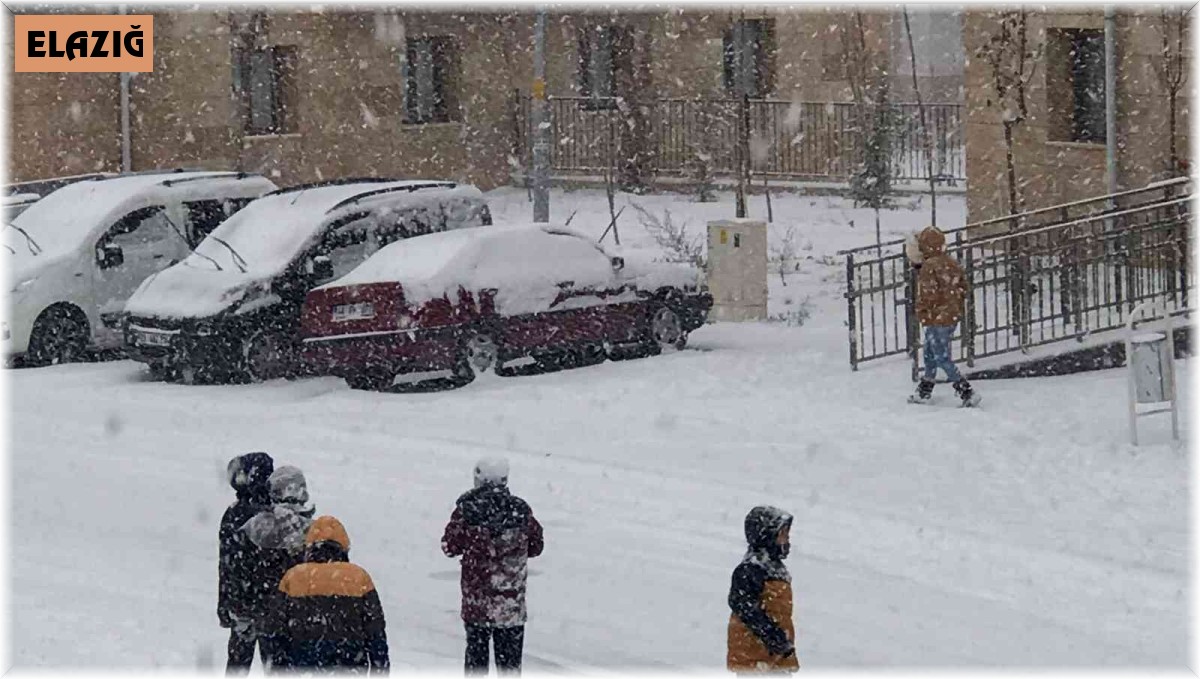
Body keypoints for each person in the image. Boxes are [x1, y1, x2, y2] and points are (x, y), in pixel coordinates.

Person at [441, 458, 544, 675]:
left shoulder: (467, 510)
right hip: (511, 604)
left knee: (476, 664)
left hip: (477, 603)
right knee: (510, 666)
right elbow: (536, 547)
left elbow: (449, 547)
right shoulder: (521, 510)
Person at [265, 515, 390, 673]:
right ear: (343, 546)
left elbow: (275, 630)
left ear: (310, 546)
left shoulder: (293, 577)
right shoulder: (359, 577)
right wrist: (380, 669)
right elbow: (375, 631)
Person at [242, 465, 316, 670]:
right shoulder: (315, 530)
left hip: (267, 617)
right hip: (304, 616)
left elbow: (241, 574)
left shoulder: (254, 527)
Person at [907, 226, 979, 407]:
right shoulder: (951, 262)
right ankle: (925, 390)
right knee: (930, 353)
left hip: (936, 316)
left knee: (940, 356)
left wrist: (922, 312)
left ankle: (966, 391)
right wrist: (953, 301)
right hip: (950, 315)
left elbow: (927, 295)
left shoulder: (928, 267)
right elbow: (964, 287)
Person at [219, 452, 276, 674]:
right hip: (273, 605)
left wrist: (224, 603)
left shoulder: (234, 514)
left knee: (237, 666)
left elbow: (225, 564)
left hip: (241, 603)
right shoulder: (277, 512)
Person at [727, 505, 799, 674]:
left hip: (775, 656)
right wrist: (771, 635)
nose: (787, 540)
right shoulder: (751, 570)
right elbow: (743, 605)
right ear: (766, 536)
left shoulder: (777, 571)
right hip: (755, 656)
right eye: (782, 535)